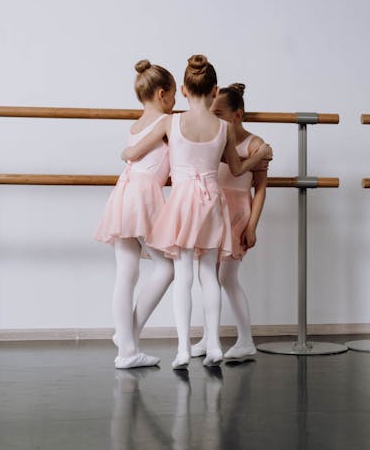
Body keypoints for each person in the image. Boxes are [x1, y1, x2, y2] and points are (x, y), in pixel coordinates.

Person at [123, 55, 270, 369]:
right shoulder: (225, 127)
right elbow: (237, 167)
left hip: (183, 203)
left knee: (184, 276)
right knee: (209, 276)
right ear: (215, 90)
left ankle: (182, 350)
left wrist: (126, 152)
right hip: (212, 201)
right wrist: (259, 156)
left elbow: (134, 151)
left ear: (185, 91)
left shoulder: (170, 121)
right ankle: (214, 344)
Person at [95, 59, 176, 369]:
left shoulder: (135, 125)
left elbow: (131, 152)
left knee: (126, 274)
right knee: (166, 269)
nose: (174, 104)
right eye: (173, 98)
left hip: (124, 193)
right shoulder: (166, 123)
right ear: (161, 94)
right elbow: (135, 153)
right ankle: (127, 340)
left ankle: (127, 347)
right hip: (142, 195)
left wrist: (128, 153)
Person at [192, 84, 271, 360]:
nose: (214, 118)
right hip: (215, 210)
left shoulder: (254, 145)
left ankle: (246, 340)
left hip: (238, 213)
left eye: (220, 114)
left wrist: (252, 226)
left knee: (227, 276)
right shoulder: (216, 138)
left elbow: (260, 188)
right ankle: (208, 337)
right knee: (208, 276)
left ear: (238, 115)